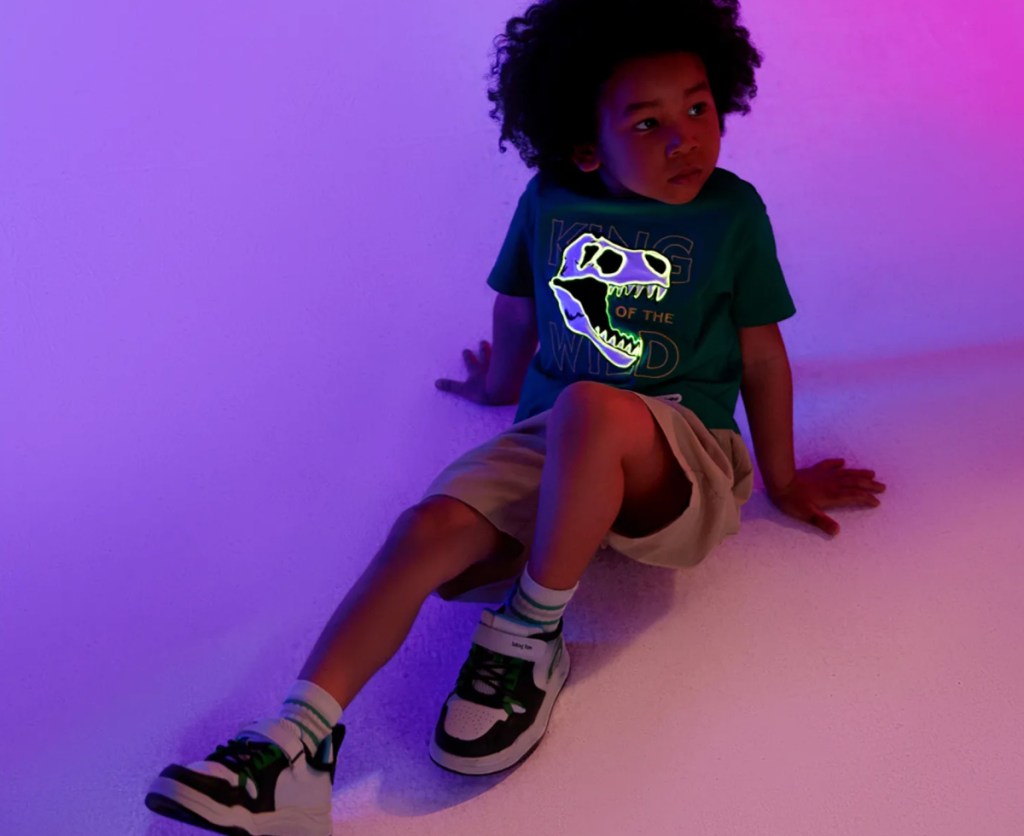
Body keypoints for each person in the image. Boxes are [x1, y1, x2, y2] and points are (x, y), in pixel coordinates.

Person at [145, 0, 886, 832]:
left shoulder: (732, 214)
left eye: (698, 106)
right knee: (424, 529)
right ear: (582, 144)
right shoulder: (550, 202)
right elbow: (519, 312)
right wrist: (498, 384)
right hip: (556, 440)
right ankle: (293, 749)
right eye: (647, 124)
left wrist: (779, 479)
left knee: (592, 408)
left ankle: (529, 635)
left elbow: (759, 353)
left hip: (679, 454)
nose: (686, 138)